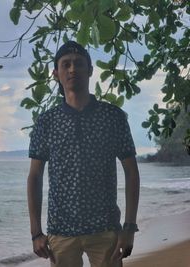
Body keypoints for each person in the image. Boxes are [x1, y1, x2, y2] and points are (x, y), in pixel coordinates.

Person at [27, 41, 140, 267]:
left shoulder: (113, 117)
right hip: (61, 232)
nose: (72, 69)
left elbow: (131, 171)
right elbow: (35, 177)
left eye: (78, 64)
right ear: (56, 73)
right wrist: (36, 232)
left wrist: (129, 227)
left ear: (89, 70)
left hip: (106, 230)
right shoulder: (47, 122)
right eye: (65, 64)